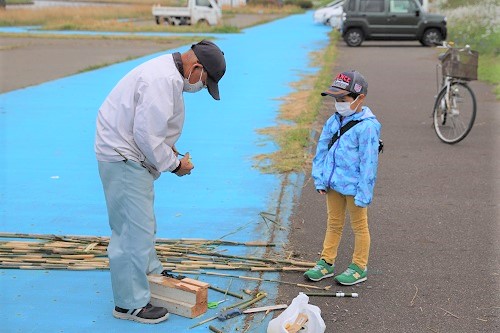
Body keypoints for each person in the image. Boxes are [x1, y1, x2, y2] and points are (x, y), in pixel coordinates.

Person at [94, 40, 226, 324]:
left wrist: (170, 152)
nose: (201, 88)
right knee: (131, 231)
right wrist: (176, 164)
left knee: (141, 224)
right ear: (196, 67)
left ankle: (150, 277)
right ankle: (129, 304)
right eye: (204, 82)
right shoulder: (161, 81)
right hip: (123, 156)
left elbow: (152, 130)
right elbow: (147, 135)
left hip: (127, 153)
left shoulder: (168, 73)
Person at [304, 70, 381, 286]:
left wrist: (364, 192)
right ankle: (326, 262)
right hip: (333, 183)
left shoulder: (367, 127)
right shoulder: (333, 121)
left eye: (343, 99)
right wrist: (320, 178)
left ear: (360, 98)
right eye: (336, 99)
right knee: (334, 223)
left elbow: (369, 163)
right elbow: (322, 149)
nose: (339, 103)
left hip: (355, 187)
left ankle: (359, 266)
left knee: (359, 226)